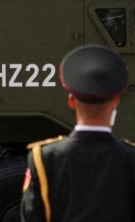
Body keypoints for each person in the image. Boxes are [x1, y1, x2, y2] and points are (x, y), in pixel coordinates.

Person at [21, 45, 135, 221]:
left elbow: (32, 216)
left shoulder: (45, 158)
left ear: (72, 101)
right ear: (116, 101)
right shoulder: (130, 158)